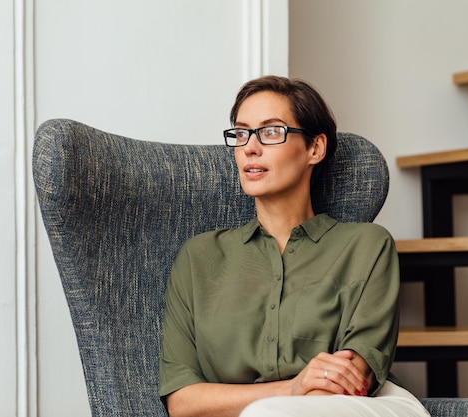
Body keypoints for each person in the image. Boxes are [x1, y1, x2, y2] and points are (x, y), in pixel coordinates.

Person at [159, 75, 430, 417]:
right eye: (241, 133)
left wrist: (292, 399)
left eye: (271, 131)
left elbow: (352, 377)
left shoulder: (367, 246)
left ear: (314, 148)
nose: (249, 148)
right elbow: (182, 403)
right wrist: (292, 388)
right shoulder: (199, 257)